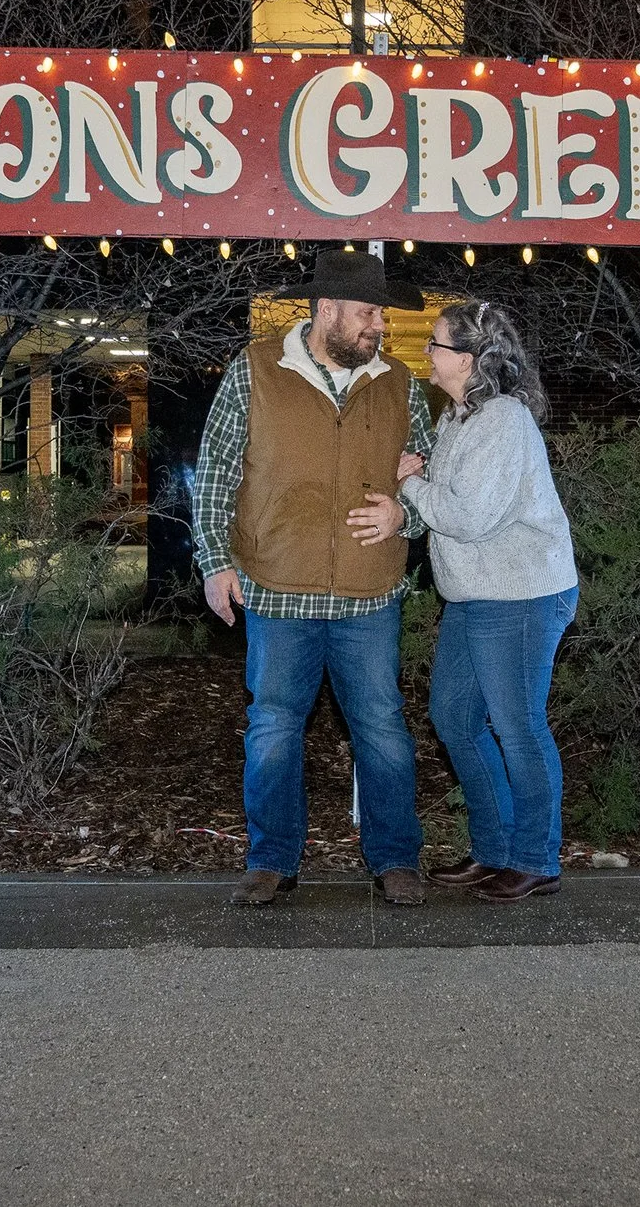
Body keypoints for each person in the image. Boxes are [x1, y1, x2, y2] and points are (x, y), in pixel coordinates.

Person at [192, 249, 437, 908]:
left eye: (380, 315)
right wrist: (214, 560)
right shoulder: (255, 371)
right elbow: (216, 466)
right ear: (327, 308)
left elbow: (430, 472)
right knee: (272, 728)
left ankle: (394, 858)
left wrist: (404, 511)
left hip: (369, 594)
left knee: (382, 729)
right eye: (367, 313)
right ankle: (271, 859)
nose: (378, 326)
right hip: (276, 587)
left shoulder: (399, 382)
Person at [383, 299, 579, 902]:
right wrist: (422, 471)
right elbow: (453, 493)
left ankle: (536, 859)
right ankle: (494, 850)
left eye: (436, 345)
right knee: (454, 718)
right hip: (473, 596)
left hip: (520, 595)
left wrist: (411, 482)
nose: (428, 354)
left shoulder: (503, 422)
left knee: (518, 728)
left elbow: (469, 516)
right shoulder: (459, 416)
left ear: (465, 360)